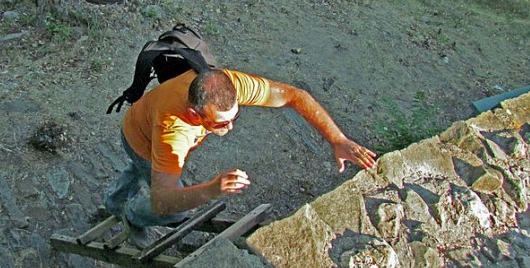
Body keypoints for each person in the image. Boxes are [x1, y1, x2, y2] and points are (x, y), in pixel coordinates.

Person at [104, 68, 377, 247]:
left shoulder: (229, 84)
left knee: (139, 171)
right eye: (220, 124)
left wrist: (337, 139)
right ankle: (130, 214)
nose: (230, 127)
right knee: (176, 203)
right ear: (193, 115)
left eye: (235, 117)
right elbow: (163, 201)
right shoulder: (173, 130)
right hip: (142, 141)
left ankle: (112, 201)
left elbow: (295, 96)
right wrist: (212, 189)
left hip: (141, 121)